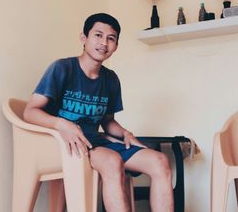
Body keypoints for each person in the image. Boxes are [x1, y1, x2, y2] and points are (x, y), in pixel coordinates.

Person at [23, 13, 174, 212]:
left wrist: (125, 133)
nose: (104, 42)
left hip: (97, 141)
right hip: (69, 145)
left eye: (111, 38)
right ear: (83, 38)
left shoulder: (111, 79)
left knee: (160, 161)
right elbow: (29, 112)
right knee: (112, 161)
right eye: (98, 35)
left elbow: (107, 121)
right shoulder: (62, 68)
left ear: (116, 46)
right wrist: (62, 124)